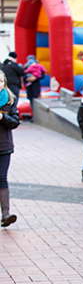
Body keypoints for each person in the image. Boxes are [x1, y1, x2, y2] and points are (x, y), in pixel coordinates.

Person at [0, 70, 20, 227]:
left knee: (2, 178)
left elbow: (15, 122)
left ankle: (6, 214)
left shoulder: (9, 101)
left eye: (1, 81)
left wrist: (2, 117)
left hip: (4, 146)